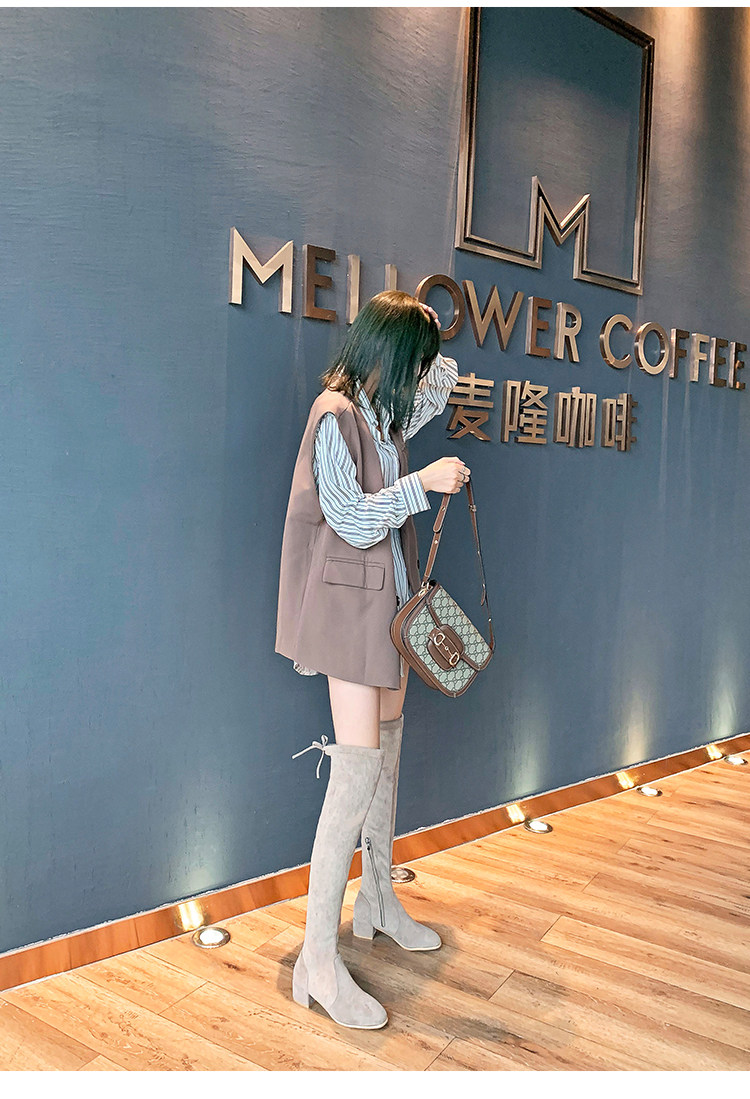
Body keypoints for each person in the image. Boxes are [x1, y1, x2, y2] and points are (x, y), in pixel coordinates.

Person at [275, 290, 470, 1030]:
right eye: (411, 361)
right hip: (347, 611)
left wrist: (424, 324)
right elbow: (353, 518)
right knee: (354, 773)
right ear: (385, 353)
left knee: (386, 753)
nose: (421, 375)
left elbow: (443, 380)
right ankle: (317, 961)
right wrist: (422, 484)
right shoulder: (335, 414)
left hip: (387, 607)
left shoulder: (386, 416)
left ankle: (379, 900)